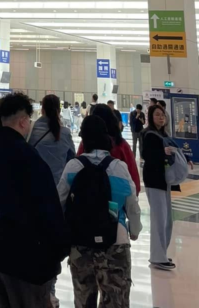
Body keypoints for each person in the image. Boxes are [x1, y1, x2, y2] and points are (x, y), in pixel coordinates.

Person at [0, 92, 69, 307]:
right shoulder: (29, 157)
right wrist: (59, 250)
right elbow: (48, 208)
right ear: (23, 121)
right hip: (26, 261)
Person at [58, 115, 141, 308]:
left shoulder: (73, 167)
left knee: (83, 299)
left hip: (80, 244)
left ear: (84, 138)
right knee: (116, 299)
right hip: (115, 242)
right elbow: (132, 205)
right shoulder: (119, 167)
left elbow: (58, 202)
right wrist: (134, 230)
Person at [141, 103, 178, 269]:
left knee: (166, 220)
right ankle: (157, 256)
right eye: (157, 115)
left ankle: (161, 253)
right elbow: (147, 155)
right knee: (159, 219)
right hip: (154, 181)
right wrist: (164, 153)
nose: (161, 117)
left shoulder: (163, 134)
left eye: (162, 115)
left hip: (164, 181)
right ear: (150, 117)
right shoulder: (148, 134)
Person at [81, 104, 140, 195]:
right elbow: (133, 177)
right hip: (117, 200)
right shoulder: (121, 145)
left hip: (88, 197)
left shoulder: (85, 144)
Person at [29, 94, 76, 185]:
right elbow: (72, 159)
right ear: (59, 111)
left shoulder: (30, 130)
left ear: (42, 110)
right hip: (57, 185)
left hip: (34, 184)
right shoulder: (65, 133)